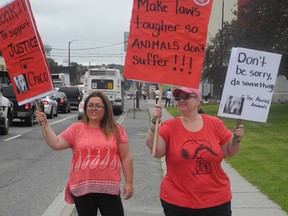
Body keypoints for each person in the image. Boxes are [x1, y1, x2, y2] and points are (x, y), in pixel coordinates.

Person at [145, 87, 244, 216]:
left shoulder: (214, 124)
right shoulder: (170, 126)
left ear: (198, 100)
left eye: (186, 97)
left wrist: (236, 139)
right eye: (178, 98)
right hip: (178, 201)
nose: (181, 100)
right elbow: (156, 151)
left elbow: (229, 151)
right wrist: (154, 123)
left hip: (216, 200)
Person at [36, 91, 133, 216]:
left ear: (105, 109)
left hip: (109, 188)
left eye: (98, 106)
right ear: (85, 108)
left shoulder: (116, 130)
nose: (94, 109)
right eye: (90, 105)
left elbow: (126, 158)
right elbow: (56, 143)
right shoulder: (77, 128)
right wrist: (44, 123)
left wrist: (129, 183)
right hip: (83, 188)